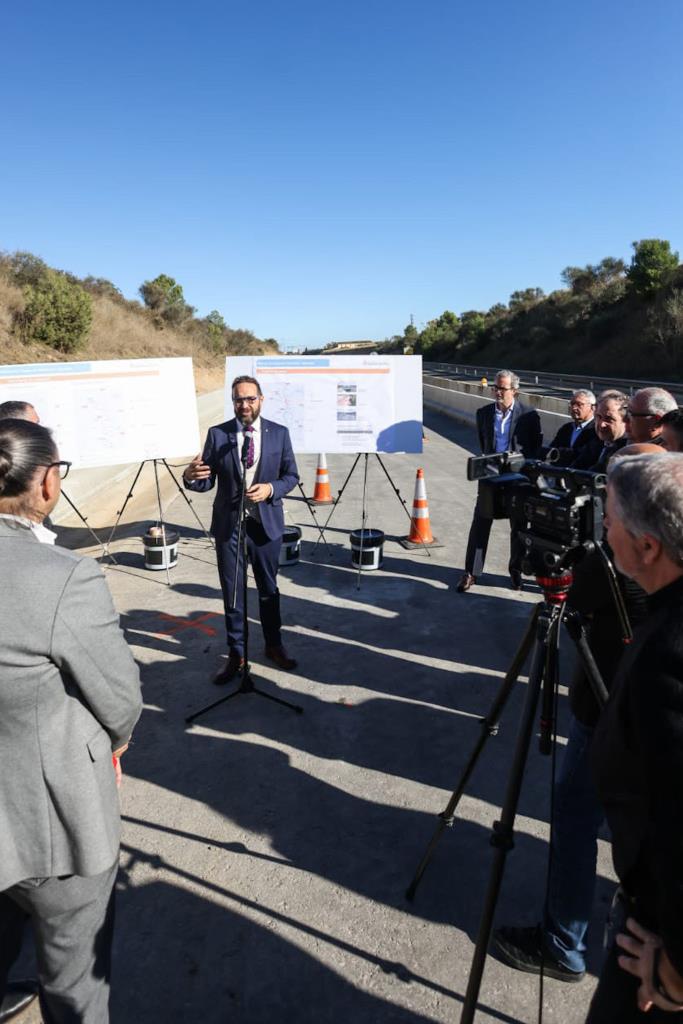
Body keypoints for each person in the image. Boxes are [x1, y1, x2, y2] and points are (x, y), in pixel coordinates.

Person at [493, 444, 662, 985]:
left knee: (573, 813)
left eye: (610, 501)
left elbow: (570, 594)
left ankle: (564, 941)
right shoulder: (650, 556)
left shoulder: (621, 564)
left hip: (605, 707)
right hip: (623, 707)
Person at [0, 418, 142, 1023]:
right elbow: (120, 698)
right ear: (47, 483)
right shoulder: (65, 578)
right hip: (51, 827)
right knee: (74, 987)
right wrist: (115, 742)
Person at [586, 452, 683, 1021]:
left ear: (648, 547)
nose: (602, 528)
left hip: (654, 946)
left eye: (611, 518)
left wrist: (673, 972)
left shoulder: (670, 659)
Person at [184, 375, 299, 682]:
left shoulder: (279, 434)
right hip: (229, 525)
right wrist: (189, 476)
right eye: (238, 400)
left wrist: (271, 489)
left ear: (260, 400)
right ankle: (237, 654)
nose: (244, 405)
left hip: (265, 524)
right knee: (232, 593)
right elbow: (205, 480)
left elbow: (291, 475)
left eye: (250, 399)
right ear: (232, 402)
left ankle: (274, 645)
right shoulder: (218, 434)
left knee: (268, 589)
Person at [457, 369, 542, 593]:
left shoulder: (529, 416)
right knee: (480, 526)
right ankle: (472, 572)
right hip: (490, 476)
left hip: (517, 479)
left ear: (514, 390)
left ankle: (515, 573)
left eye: (502, 388)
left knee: (519, 528)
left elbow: (534, 448)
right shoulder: (483, 413)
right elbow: (483, 443)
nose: (497, 392)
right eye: (495, 388)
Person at [574, 391, 629, 471]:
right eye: (599, 417)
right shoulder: (594, 444)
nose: (602, 424)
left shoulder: (629, 450)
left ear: (625, 421)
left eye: (609, 419)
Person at [544, 389, 600, 467]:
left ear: (593, 408)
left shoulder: (597, 430)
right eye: (572, 404)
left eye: (579, 404)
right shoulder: (566, 428)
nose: (574, 408)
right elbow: (551, 450)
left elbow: (586, 456)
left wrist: (561, 453)